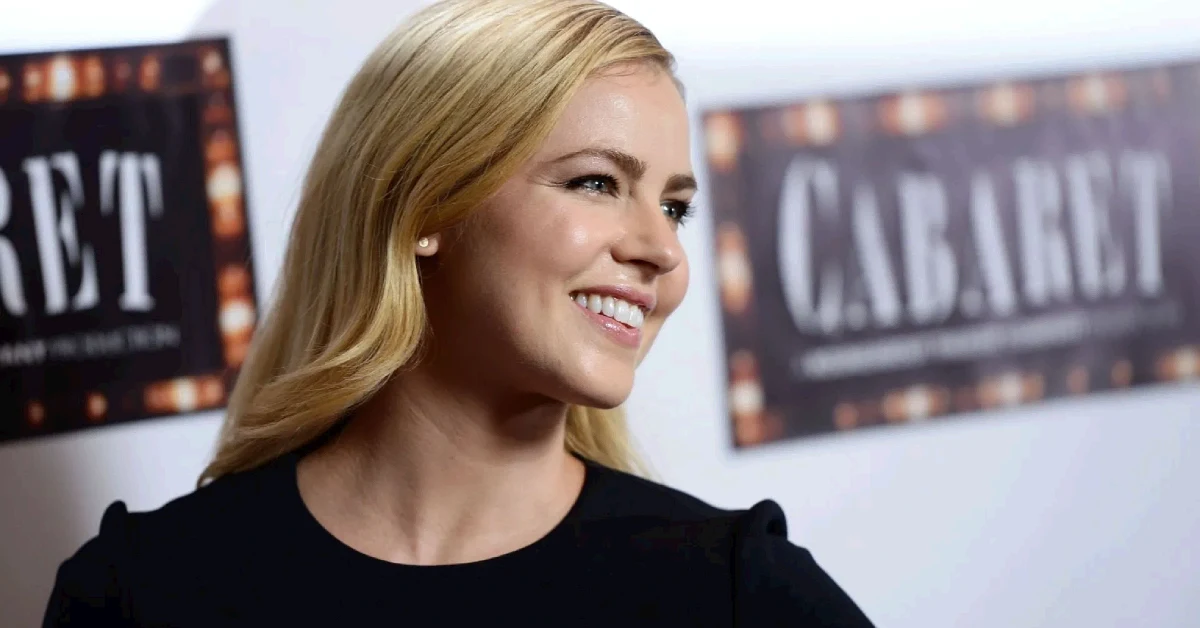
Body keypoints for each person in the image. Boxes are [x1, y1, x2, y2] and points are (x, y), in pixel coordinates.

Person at [43, 0, 874, 625]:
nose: (663, 250)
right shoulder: (139, 591)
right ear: (425, 205)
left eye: (675, 207)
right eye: (596, 182)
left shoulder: (738, 594)